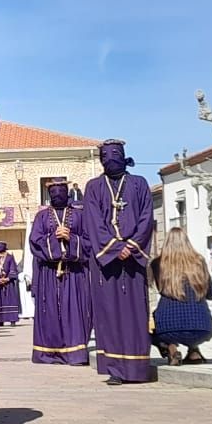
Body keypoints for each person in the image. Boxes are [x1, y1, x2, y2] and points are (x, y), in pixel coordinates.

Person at [84, 140, 154, 385]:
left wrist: (131, 246)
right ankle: (115, 368)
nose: (110, 158)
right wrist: (114, 248)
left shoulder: (139, 184)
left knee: (135, 313)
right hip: (107, 264)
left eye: (115, 154)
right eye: (105, 155)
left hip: (133, 261)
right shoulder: (93, 187)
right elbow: (92, 221)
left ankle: (137, 367)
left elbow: (147, 217)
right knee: (109, 313)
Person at [28, 182, 92, 365]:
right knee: (50, 312)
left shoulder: (80, 215)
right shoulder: (41, 217)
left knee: (74, 310)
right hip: (49, 272)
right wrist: (54, 238)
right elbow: (35, 242)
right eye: (53, 192)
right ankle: (48, 352)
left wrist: (70, 238)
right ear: (48, 194)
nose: (57, 195)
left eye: (61, 191)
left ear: (68, 193)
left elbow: (89, 243)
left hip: (74, 272)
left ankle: (75, 353)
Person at [150, 229, 212, 365]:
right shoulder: (199, 261)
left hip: (167, 328)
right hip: (202, 328)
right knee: (191, 314)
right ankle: (193, 351)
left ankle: (171, 348)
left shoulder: (157, 264)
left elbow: (161, 289)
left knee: (150, 328)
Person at [0, 241, 22, 325]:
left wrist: (7, 279)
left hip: (8, 283)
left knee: (10, 300)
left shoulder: (9, 257)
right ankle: (0, 320)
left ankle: (12, 319)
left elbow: (13, 269)